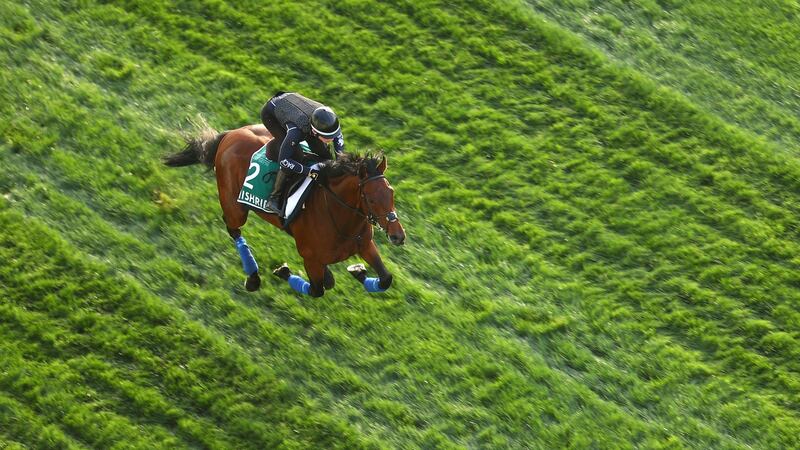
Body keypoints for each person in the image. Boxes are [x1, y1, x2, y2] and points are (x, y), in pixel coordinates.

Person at [260, 92, 345, 216]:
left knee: (325, 153)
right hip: (271, 113)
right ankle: (274, 198)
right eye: (328, 138)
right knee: (296, 156)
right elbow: (284, 161)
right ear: (315, 132)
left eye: (333, 136)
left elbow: (339, 150)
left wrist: (341, 164)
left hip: (295, 105)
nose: (332, 139)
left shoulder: (330, 123)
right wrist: (309, 172)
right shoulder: (296, 131)